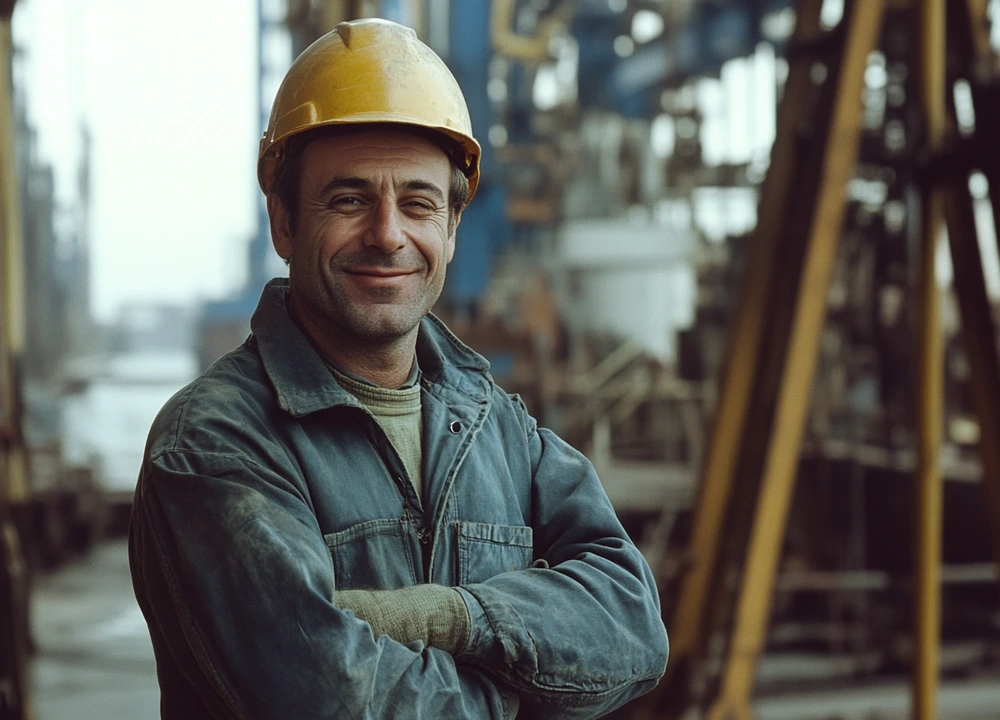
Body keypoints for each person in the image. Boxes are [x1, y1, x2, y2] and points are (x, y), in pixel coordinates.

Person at [129, 17, 668, 720]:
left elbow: (635, 625)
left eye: (417, 203)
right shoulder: (213, 447)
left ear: (449, 227)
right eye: (349, 200)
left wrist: (449, 618)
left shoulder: (495, 428)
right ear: (285, 222)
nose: (388, 235)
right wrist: (530, 689)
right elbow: (330, 699)